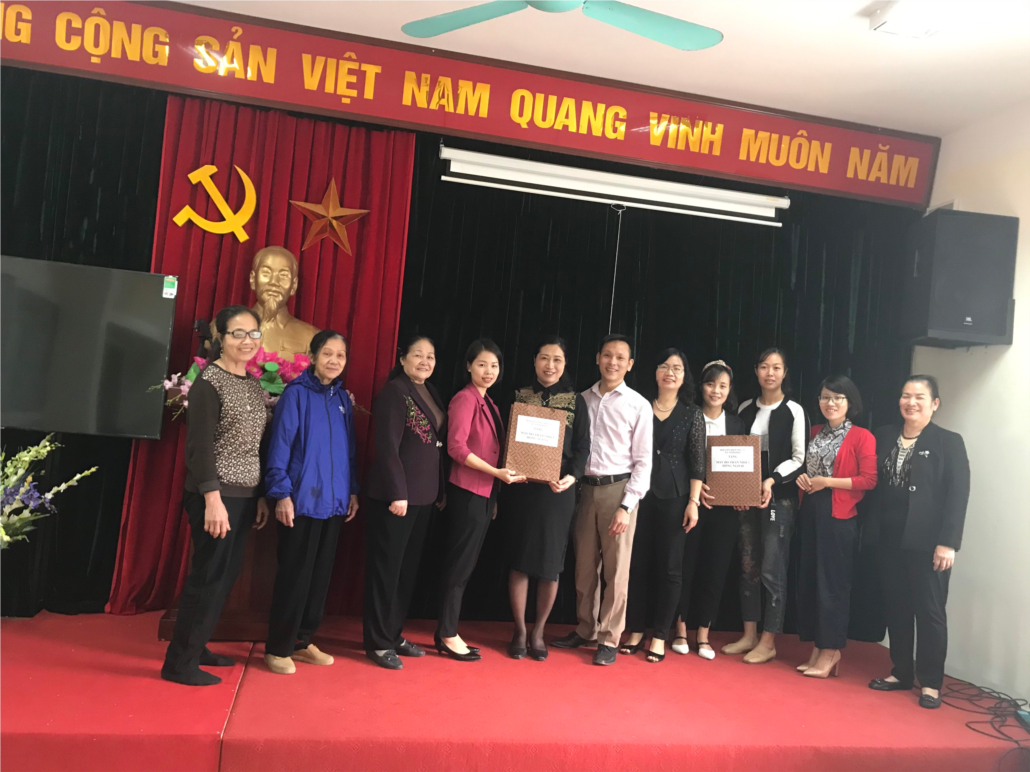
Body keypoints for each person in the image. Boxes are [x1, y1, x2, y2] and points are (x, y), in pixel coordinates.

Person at [161, 305, 270, 686]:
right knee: (208, 577)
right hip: (216, 496)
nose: (246, 340)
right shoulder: (209, 383)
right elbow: (199, 447)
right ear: (221, 338)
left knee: (224, 577)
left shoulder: (252, 383)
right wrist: (212, 498)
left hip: (243, 495)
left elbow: (253, 446)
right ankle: (179, 663)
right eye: (237, 333)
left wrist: (259, 495)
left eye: (253, 333)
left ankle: (198, 645)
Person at [868, 375, 969, 709]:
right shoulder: (884, 435)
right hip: (889, 539)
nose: (911, 402)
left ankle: (930, 682)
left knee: (929, 612)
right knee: (897, 608)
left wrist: (948, 542)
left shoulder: (948, 442)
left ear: (934, 403)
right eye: (905, 395)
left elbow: (958, 495)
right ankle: (901, 672)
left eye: (919, 397)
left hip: (929, 544)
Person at [263, 330, 359, 675]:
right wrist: (281, 494)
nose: (334, 360)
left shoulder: (342, 399)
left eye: (341, 355)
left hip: (333, 501)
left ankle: (303, 641)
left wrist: (352, 490)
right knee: (295, 576)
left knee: (319, 578)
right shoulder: (296, 395)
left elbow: (349, 450)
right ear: (313, 356)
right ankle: (278, 647)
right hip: (300, 501)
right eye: (328, 353)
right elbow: (280, 447)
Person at [552, 334, 652, 666]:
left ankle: (609, 637)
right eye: (607, 355)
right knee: (584, 568)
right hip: (583, 490)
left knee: (616, 570)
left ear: (630, 364)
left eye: (620, 357)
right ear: (597, 358)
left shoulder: (638, 404)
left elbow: (643, 462)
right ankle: (586, 629)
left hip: (618, 490)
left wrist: (627, 505)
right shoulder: (581, 399)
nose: (613, 362)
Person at [437, 339, 526, 661]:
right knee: (459, 565)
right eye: (482, 364)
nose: (489, 371)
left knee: (466, 566)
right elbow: (456, 448)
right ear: (469, 366)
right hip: (467, 491)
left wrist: (495, 491)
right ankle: (447, 634)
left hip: (485, 493)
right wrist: (495, 473)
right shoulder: (465, 399)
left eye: (494, 365)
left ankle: (448, 629)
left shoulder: (489, 403)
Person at [504, 336, 591, 661]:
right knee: (520, 561)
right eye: (544, 358)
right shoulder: (518, 395)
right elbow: (505, 439)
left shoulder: (576, 401)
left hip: (558, 492)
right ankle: (519, 630)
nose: (550, 365)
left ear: (565, 364)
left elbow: (582, 446)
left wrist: (573, 476)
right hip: (522, 489)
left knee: (550, 566)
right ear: (534, 360)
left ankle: (538, 631)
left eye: (557, 359)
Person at [363, 335, 448, 670]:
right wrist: (398, 492)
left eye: (431, 356)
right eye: (418, 355)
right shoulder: (395, 392)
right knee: (386, 571)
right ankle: (377, 642)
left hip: (423, 497)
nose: (425, 361)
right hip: (395, 498)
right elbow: (387, 448)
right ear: (402, 359)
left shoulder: (430, 391)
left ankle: (393, 633)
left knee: (405, 572)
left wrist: (439, 490)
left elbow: (435, 445)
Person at [723, 347, 808, 664]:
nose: (769, 373)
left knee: (773, 569)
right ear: (756, 371)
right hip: (747, 499)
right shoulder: (745, 408)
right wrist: (736, 490)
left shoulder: (794, 410)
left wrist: (771, 480)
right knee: (748, 567)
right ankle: (749, 634)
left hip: (779, 499)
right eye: (763, 366)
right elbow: (733, 453)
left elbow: (799, 458)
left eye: (776, 367)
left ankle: (768, 641)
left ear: (785, 373)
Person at [621, 349, 705, 663]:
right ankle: (635, 630)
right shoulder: (640, 405)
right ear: (655, 372)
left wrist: (693, 502)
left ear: (684, 376)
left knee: (670, 568)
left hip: (675, 497)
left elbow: (697, 463)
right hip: (638, 494)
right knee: (637, 564)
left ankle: (659, 634)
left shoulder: (692, 413)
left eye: (677, 368)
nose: (670, 372)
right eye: (664, 366)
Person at [794, 375, 877, 679]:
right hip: (810, 509)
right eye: (825, 397)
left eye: (837, 398)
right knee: (811, 580)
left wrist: (826, 482)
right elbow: (803, 465)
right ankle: (818, 647)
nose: (830, 403)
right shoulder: (814, 431)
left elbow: (869, 480)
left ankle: (831, 650)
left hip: (839, 514)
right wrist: (804, 478)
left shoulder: (862, 436)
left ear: (849, 402)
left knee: (833, 584)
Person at [671, 360, 748, 660]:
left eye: (723, 386)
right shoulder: (687, 415)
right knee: (685, 567)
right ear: (701, 386)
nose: (716, 390)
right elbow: (678, 459)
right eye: (710, 384)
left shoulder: (737, 423)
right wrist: (696, 487)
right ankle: (680, 628)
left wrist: (741, 492)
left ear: (729, 390)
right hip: (690, 503)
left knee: (715, 571)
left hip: (724, 509)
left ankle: (703, 633)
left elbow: (742, 465)